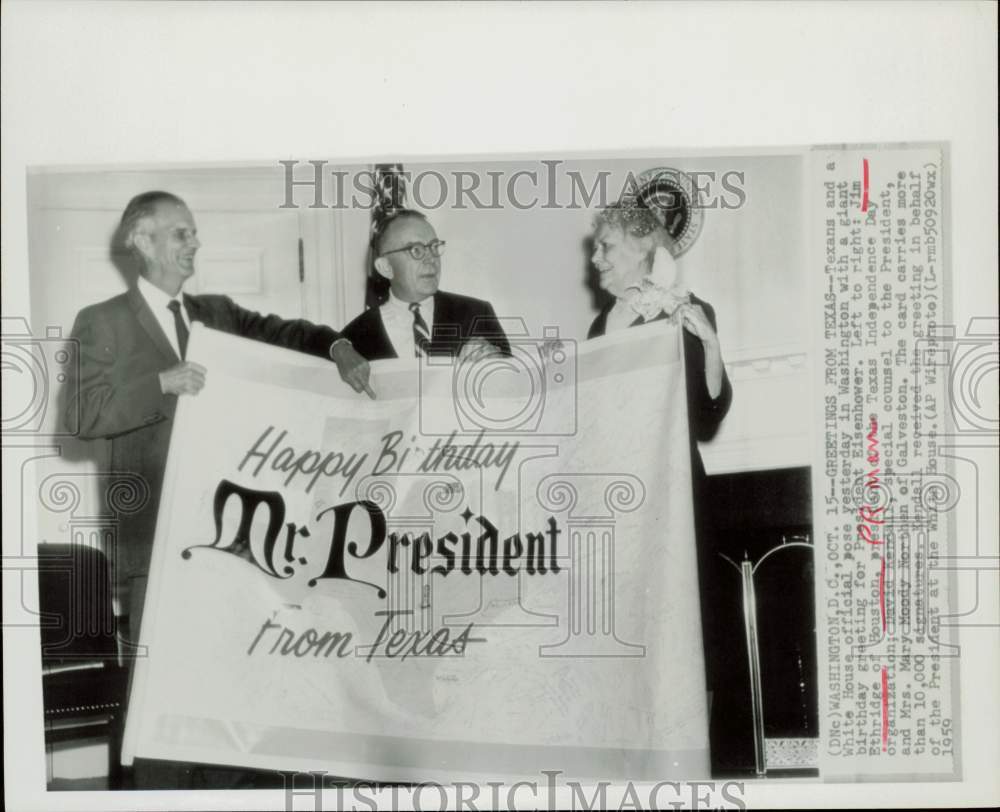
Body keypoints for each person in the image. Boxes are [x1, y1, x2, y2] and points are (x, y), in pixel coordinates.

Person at [65, 191, 374, 645]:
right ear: (144, 241)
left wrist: (338, 346)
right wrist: (160, 384)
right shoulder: (101, 320)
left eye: (194, 233)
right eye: (181, 233)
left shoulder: (218, 313)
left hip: (234, 532)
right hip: (155, 536)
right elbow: (80, 415)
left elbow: (284, 333)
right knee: (158, 685)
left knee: (230, 677)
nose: (195, 243)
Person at [586, 202, 733, 709]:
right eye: (594, 249)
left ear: (643, 247)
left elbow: (707, 416)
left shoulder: (686, 308)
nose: (596, 259)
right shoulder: (599, 326)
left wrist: (710, 347)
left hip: (677, 496)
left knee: (696, 624)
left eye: (605, 247)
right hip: (620, 502)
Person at [342, 209, 511, 360]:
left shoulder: (476, 314)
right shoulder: (354, 337)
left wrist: (495, 364)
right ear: (385, 267)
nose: (431, 258)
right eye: (416, 250)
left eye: (434, 247)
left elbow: (515, 389)